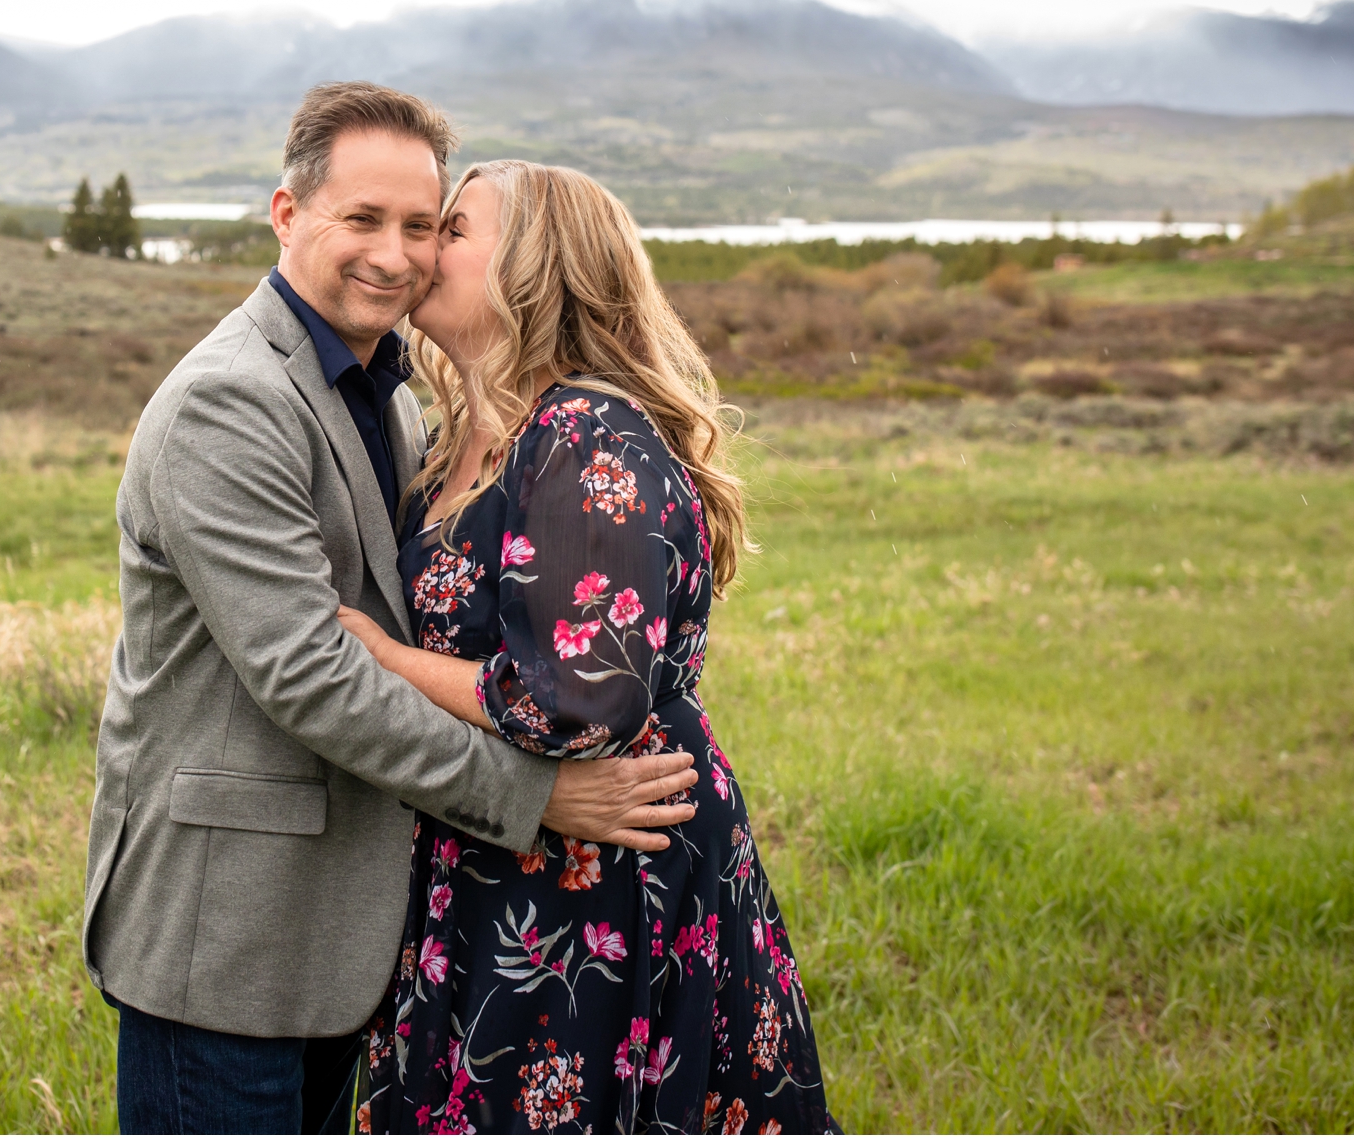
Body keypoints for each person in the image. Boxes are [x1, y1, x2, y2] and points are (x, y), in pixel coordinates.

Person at [84, 85, 702, 1134]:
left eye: (425, 226)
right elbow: (310, 675)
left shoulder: (394, 391)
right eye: (361, 219)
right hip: (229, 928)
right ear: (288, 215)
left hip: (346, 927)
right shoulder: (229, 401)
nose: (396, 253)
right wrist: (536, 794)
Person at [338, 160, 839, 1134]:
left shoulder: (586, 431)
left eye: (452, 228)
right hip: (500, 846)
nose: (418, 249)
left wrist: (382, 657)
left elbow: (575, 695)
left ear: (533, 263)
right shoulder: (459, 440)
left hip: (599, 872)